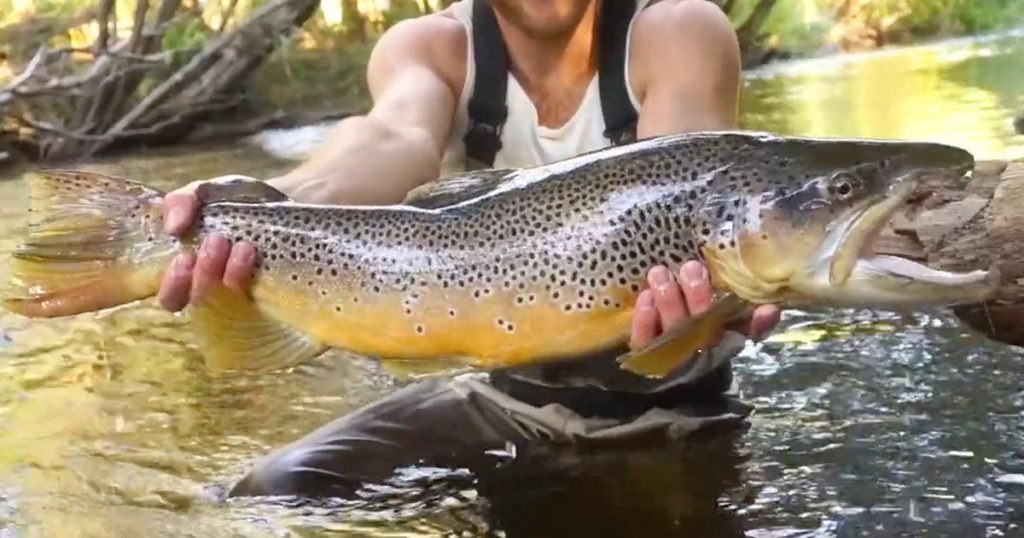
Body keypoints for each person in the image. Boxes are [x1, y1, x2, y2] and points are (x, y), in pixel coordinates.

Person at [158, 0, 781, 500]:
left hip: (680, 410)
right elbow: (393, 138)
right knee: (276, 489)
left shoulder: (677, 28)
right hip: (505, 401)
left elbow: (685, 170)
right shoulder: (431, 47)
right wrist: (271, 204)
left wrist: (720, 284)